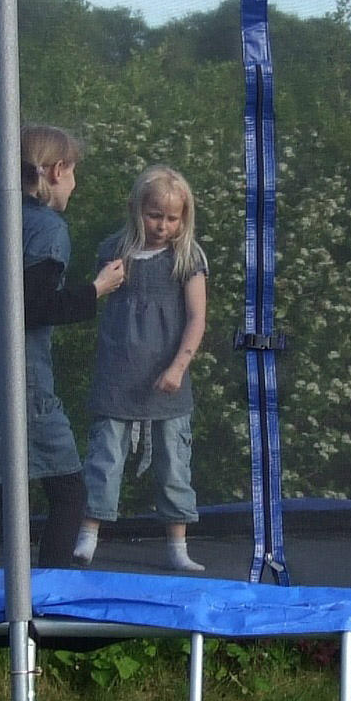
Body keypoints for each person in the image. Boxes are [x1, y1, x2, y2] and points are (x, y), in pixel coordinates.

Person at [0, 124, 126, 570]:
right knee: (68, 491)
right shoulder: (46, 228)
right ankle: (53, 592)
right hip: (18, 381)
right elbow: (34, 306)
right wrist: (98, 288)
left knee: (5, 499)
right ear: (54, 170)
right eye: (72, 173)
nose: (74, 183)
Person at [75, 165, 211, 573]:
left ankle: (177, 545)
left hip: (168, 379)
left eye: (173, 218)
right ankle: (87, 536)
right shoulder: (114, 251)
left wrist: (178, 367)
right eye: (155, 216)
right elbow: (100, 295)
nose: (163, 226)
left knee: (173, 464)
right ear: (136, 209)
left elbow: (196, 318)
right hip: (118, 376)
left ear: (184, 217)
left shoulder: (188, 257)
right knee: (104, 459)